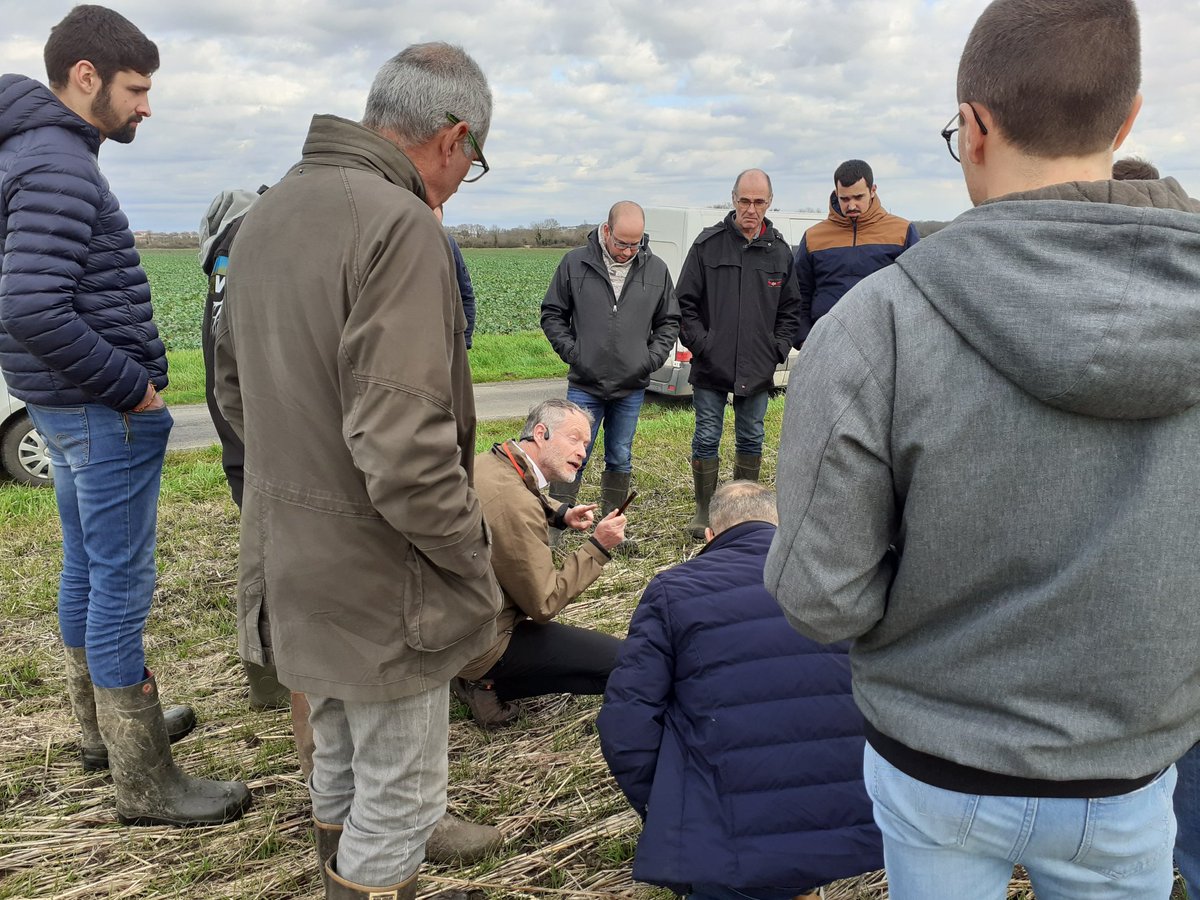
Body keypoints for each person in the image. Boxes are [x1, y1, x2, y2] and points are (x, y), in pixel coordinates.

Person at [765, 1, 1200, 896]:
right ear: (1126, 120)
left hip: (936, 764)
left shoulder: (877, 327)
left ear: (973, 127)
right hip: (1129, 765)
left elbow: (821, 595)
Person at [213, 42, 503, 900]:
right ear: (453, 138)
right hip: (384, 578)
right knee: (402, 801)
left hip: (290, 557)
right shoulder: (400, 224)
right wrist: (470, 558)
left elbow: (233, 393)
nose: (462, 181)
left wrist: (307, 480)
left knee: (336, 761)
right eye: (473, 163)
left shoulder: (267, 214)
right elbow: (406, 449)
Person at [0, 5, 249, 828]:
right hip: (99, 410)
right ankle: (145, 782)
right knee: (120, 583)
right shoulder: (59, 165)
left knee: (85, 565)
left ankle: (103, 732)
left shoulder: (31, 152)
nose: (147, 105)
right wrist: (131, 388)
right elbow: (30, 305)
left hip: (60, 405)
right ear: (86, 77)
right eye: (137, 89)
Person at [598, 482, 882, 900]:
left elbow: (626, 724)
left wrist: (668, 808)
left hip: (726, 836)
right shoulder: (839, 581)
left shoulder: (672, 590)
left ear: (710, 535)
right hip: (857, 819)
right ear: (782, 525)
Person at [454, 399, 626, 727]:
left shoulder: (492, 462)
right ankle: (486, 682)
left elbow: (522, 491)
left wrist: (560, 513)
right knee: (624, 663)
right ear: (540, 433)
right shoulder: (516, 505)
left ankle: (472, 675)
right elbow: (544, 603)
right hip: (484, 642)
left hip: (458, 626)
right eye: (574, 439)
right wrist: (599, 547)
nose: (583, 452)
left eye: (586, 444)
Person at [198, 185, 291, 711]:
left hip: (245, 441)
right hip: (262, 441)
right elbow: (234, 377)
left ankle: (274, 673)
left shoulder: (224, 265)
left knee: (267, 554)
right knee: (269, 560)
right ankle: (270, 679)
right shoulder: (246, 255)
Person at [676, 169, 802, 540]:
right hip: (711, 365)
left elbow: (791, 309)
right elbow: (684, 304)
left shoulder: (779, 251)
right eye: (744, 201)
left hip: (758, 365)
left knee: (751, 438)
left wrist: (776, 349)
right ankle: (704, 511)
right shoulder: (707, 245)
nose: (751, 209)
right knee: (706, 436)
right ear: (733, 199)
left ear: (769, 202)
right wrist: (703, 344)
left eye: (758, 202)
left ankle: (743, 515)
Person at [540, 202, 679, 532]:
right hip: (585, 383)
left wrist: (649, 360)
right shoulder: (575, 263)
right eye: (621, 243)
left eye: (635, 244)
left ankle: (611, 528)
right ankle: (556, 528)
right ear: (606, 231)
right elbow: (552, 314)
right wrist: (574, 353)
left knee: (619, 455)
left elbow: (669, 321)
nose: (628, 251)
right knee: (572, 454)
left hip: (631, 386)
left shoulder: (656, 270)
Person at [792, 159, 919, 345]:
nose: (851, 206)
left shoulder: (902, 231)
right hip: (826, 343)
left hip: (883, 343)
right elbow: (800, 292)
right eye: (844, 199)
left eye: (858, 197)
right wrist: (804, 339)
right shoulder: (813, 237)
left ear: (873, 190)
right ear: (836, 193)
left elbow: (916, 292)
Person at [434, 204, 477, 348]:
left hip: (445, 338)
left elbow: (466, 294)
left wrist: (465, 339)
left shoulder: (449, 243)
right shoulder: (399, 242)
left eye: (434, 210)